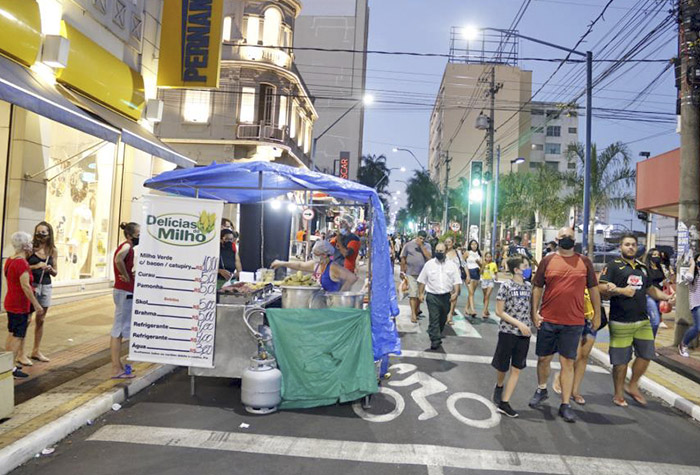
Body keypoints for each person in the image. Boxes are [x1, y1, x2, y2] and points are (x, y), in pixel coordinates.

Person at [529, 227, 601, 423]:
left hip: (573, 322)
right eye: (563, 237)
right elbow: (537, 287)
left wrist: (597, 314)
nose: (567, 239)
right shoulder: (548, 260)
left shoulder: (584, 262)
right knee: (543, 359)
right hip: (548, 320)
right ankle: (542, 389)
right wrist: (534, 312)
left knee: (567, 363)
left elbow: (594, 290)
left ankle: (565, 404)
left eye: (570, 236)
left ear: (574, 239)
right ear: (557, 239)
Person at [599, 234, 674, 407]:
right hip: (620, 321)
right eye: (627, 244)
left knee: (647, 354)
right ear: (621, 247)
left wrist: (666, 297)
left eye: (633, 244)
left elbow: (650, 290)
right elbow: (601, 287)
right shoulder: (612, 266)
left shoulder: (642, 268)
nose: (631, 247)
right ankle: (618, 394)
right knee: (621, 361)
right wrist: (620, 291)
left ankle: (632, 385)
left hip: (642, 321)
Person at [492, 256, 533, 418]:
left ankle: (505, 402)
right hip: (507, 332)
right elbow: (499, 311)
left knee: (517, 368)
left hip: (524, 334)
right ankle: (499, 385)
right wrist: (519, 324)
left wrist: (534, 318)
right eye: (525, 266)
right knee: (503, 366)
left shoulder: (529, 287)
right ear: (516, 270)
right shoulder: (506, 286)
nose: (528, 269)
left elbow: (530, 308)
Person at [4, 232, 45, 378]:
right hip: (19, 304)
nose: (31, 246)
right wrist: (37, 305)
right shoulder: (21, 263)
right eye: (30, 243)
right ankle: (10, 369)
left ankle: (6, 365)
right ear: (25, 245)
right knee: (17, 336)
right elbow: (26, 286)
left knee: (12, 334)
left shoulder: (10, 260)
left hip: (10, 301)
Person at [22, 222, 58, 364]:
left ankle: (36, 350)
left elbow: (56, 272)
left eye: (44, 233)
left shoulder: (52, 250)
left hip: (46, 286)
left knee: (41, 319)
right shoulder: (30, 248)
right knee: (27, 319)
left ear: (49, 234)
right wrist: (36, 266)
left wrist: (50, 269)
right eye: (38, 232)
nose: (41, 235)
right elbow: (21, 267)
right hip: (32, 285)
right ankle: (21, 352)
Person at [417, 242, 462, 350]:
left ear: (446, 251)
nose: (438, 253)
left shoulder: (452, 265)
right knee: (434, 318)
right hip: (432, 296)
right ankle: (435, 340)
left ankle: (437, 331)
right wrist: (421, 294)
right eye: (437, 251)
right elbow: (422, 280)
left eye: (441, 251)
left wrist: (456, 293)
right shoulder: (429, 264)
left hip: (446, 297)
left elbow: (456, 281)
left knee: (442, 318)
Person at [272, 240, 358, 292]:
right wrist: (281, 263)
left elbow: (352, 278)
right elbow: (300, 265)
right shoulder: (317, 264)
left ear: (324, 254)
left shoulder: (333, 267)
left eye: (316, 254)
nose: (314, 257)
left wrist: (340, 294)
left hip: (330, 306)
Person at [112, 222, 139, 379]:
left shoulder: (129, 246)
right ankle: (116, 368)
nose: (140, 237)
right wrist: (125, 275)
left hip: (125, 290)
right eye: (138, 234)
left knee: (122, 329)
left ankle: (119, 365)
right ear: (130, 235)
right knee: (118, 330)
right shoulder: (127, 245)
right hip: (123, 291)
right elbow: (118, 259)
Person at [400, 231, 432, 323]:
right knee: (413, 293)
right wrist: (402, 270)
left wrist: (421, 246)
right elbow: (403, 257)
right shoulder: (408, 245)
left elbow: (429, 257)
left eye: (423, 239)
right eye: (420, 238)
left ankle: (417, 309)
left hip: (423, 274)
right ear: (416, 237)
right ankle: (413, 313)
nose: (421, 240)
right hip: (411, 273)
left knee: (420, 295)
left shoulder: (427, 246)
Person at [679, 253, 700, 357]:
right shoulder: (694, 274)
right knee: (697, 327)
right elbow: (688, 277)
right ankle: (683, 344)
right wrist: (692, 264)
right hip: (697, 304)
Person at [644, 248, 666, 337]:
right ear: (650, 256)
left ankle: (649, 342)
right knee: (655, 321)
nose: (656, 257)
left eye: (658, 255)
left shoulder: (660, 267)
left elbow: (663, 279)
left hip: (659, 295)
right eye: (654, 255)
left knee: (653, 321)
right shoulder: (645, 268)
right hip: (649, 296)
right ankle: (648, 342)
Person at [444, 237, 464, 324]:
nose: (448, 243)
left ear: (453, 243)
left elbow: (463, 263)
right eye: (446, 242)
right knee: (445, 297)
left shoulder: (458, 252)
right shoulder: (443, 252)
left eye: (449, 242)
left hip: (456, 277)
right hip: (445, 278)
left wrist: (468, 276)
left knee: (454, 297)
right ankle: (444, 314)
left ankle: (450, 316)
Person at [463, 240, 482, 318]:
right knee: (471, 292)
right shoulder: (467, 253)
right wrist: (467, 275)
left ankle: (466, 308)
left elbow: (482, 266)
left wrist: (479, 263)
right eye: (472, 244)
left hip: (476, 273)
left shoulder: (479, 254)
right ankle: (473, 310)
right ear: (470, 245)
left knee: (472, 293)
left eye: (475, 244)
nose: (474, 246)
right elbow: (463, 263)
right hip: (469, 273)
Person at [481, 252, 499, 318]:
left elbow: (496, 272)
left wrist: (496, 277)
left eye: (489, 257)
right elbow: (481, 272)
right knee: (485, 297)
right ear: (485, 257)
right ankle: (486, 310)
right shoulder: (484, 263)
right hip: (484, 280)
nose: (488, 258)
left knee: (487, 296)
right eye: (487, 257)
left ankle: (484, 312)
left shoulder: (494, 264)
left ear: (491, 257)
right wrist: (483, 267)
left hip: (491, 281)